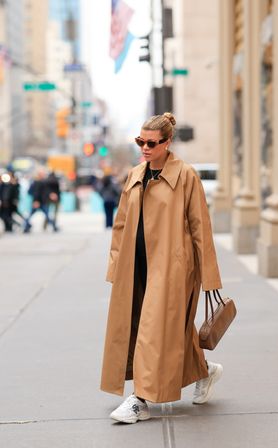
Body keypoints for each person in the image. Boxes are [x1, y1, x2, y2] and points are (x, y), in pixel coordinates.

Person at [100, 112, 223, 424]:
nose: (145, 147)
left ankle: (140, 400)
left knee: (154, 331)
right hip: (136, 265)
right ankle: (205, 371)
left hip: (173, 268)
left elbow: (200, 226)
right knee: (161, 330)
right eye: (141, 141)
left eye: (151, 142)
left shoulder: (186, 176)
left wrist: (208, 274)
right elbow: (121, 224)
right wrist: (115, 265)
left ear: (168, 143)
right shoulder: (135, 175)